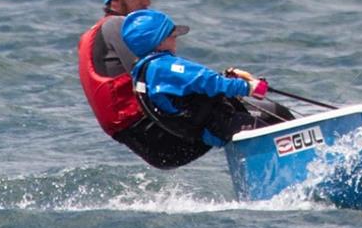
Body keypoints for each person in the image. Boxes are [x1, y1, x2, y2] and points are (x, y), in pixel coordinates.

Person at [78, 0, 211, 169]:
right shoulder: (117, 25)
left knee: (228, 105)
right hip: (160, 134)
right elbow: (158, 74)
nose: (147, 2)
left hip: (151, 140)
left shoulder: (103, 31)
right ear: (115, 0)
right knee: (230, 102)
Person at [121, 9, 293, 160]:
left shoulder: (145, 71)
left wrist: (227, 79)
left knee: (278, 114)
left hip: (210, 129)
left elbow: (189, 89)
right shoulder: (163, 66)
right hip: (219, 124)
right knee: (276, 136)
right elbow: (207, 80)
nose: (175, 39)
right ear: (158, 42)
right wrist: (249, 87)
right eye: (172, 35)